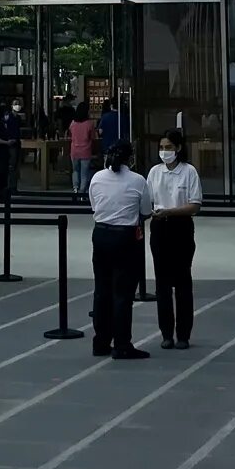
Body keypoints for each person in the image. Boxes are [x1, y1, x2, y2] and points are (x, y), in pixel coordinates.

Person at [86, 140, 153, 360]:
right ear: (130, 159)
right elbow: (146, 210)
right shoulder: (137, 180)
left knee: (102, 290)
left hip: (101, 233)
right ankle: (122, 343)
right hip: (125, 237)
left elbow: (95, 205)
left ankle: (101, 341)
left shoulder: (97, 177)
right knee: (122, 292)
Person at [146, 132, 202, 349]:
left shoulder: (189, 172)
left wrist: (170, 211)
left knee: (182, 281)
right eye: (161, 147)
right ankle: (166, 333)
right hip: (160, 227)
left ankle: (184, 333)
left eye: (169, 147)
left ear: (178, 148)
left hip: (181, 227)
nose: (164, 151)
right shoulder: (154, 172)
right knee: (162, 283)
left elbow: (195, 205)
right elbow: (148, 199)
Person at [0, 98, 25, 197]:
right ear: (11, 106)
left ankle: (14, 186)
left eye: (19, 104)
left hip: (17, 143)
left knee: (16, 167)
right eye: (15, 104)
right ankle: (10, 187)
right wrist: (8, 140)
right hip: (10, 144)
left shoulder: (18, 118)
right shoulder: (8, 117)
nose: (18, 106)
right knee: (11, 166)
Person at [68, 103, 97, 195]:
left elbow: (70, 135)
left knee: (75, 170)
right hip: (85, 151)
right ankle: (82, 192)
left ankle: (75, 188)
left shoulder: (73, 123)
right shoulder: (89, 124)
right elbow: (93, 137)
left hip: (74, 151)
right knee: (84, 173)